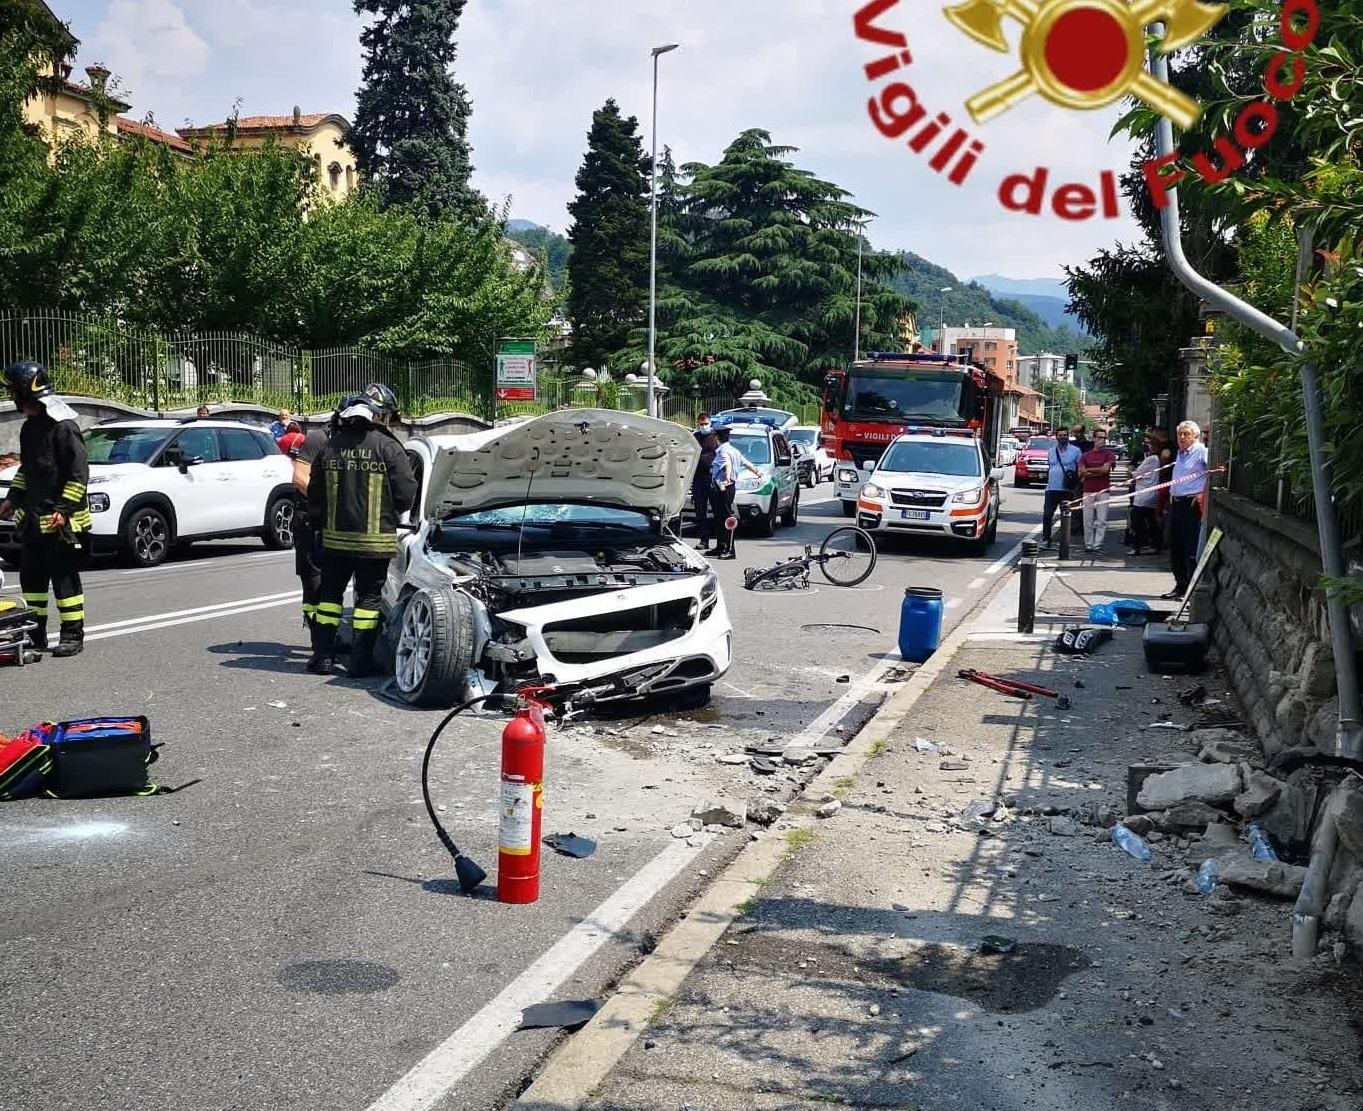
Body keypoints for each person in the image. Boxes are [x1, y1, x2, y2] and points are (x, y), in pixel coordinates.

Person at [306, 384, 417, 676]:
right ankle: (360, 661)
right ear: (379, 416)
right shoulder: (389, 447)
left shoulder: (330, 446)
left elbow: (315, 494)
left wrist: (320, 523)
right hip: (374, 543)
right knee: (368, 601)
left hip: (334, 541)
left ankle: (322, 657)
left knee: (330, 597)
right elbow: (406, 494)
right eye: (390, 416)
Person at [0, 362, 90, 657]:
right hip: (33, 518)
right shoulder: (29, 428)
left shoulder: (64, 427)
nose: (11, 396)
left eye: (13, 390)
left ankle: (72, 635)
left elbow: (79, 475)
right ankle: (35, 634)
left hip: (59, 520)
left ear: (27, 391)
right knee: (32, 579)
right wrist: (12, 497)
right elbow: (27, 470)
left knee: (64, 580)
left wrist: (63, 509)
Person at [289, 413, 334, 632]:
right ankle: (318, 638)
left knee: (331, 580)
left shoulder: (345, 443)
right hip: (308, 519)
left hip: (329, 521)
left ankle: (327, 637)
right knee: (313, 580)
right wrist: (328, 502)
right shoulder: (318, 438)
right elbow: (299, 477)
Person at [1164, 419, 1209, 599]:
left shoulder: (1202, 452)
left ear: (1195, 436)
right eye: (1180, 434)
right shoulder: (1180, 454)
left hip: (1191, 505)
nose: (1182, 437)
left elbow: (1214, 473)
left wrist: (1201, 494)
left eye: (1186, 434)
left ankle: (1191, 588)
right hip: (1177, 503)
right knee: (1175, 546)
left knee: (1190, 547)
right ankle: (1180, 585)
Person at [708, 427, 760, 561]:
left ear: (716, 438)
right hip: (726, 487)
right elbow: (745, 462)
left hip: (723, 487)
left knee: (726, 519)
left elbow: (727, 465)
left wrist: (727, 478)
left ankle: (730, 549)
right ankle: (720, 546)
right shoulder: (733, 450)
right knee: (719, 518)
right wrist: (757, 471)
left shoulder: (723, 451)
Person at [1041, 427, 1082, 548]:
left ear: (1068, 436)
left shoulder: (1076, 451)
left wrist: (1077, 484)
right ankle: (1046, 539)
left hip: (1067, 489)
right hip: (1051, 488)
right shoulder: (1051, 451)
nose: (1063, 437)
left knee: (1066, 516)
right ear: (1056, 437)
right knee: (1047, 515)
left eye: (1065, 435)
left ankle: (1064, 542)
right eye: (1060, 435)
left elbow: (1080, 468)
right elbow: (1050, 467)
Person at [1077, 427, 1117, 553]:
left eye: (1104, 438)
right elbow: (1080, 473)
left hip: (1103, 490)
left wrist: (1088, 471)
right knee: (1087, 520)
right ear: (1093, 438)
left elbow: (1105, 470)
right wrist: (1097, 471)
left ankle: (1097, 545)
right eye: (1099, 437)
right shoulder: (1085, 455)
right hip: (1088, 490)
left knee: (1102, 520)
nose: (1102, 440)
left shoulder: (1109, 454)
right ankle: (1088, 545)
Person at [1128, 438, 1162, 555]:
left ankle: (1137, 546)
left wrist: (1131, 472)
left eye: (1148, 443)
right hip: (1151, 495)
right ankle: (1153, 544)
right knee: (1151, 521)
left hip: (1143, 496)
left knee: (1137, 522)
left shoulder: (1151, 459)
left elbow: (1137, 474)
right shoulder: (1156, 459)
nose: (1146, 446)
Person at [692, 428, 717, 552]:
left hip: (712, 478)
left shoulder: (715, 436)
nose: (703, 426)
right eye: (701, 424)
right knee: (700, 510)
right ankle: (704, 539)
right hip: (698, 478)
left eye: (706, 423)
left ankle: (721, 542)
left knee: (718, 510)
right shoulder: (695, 436)